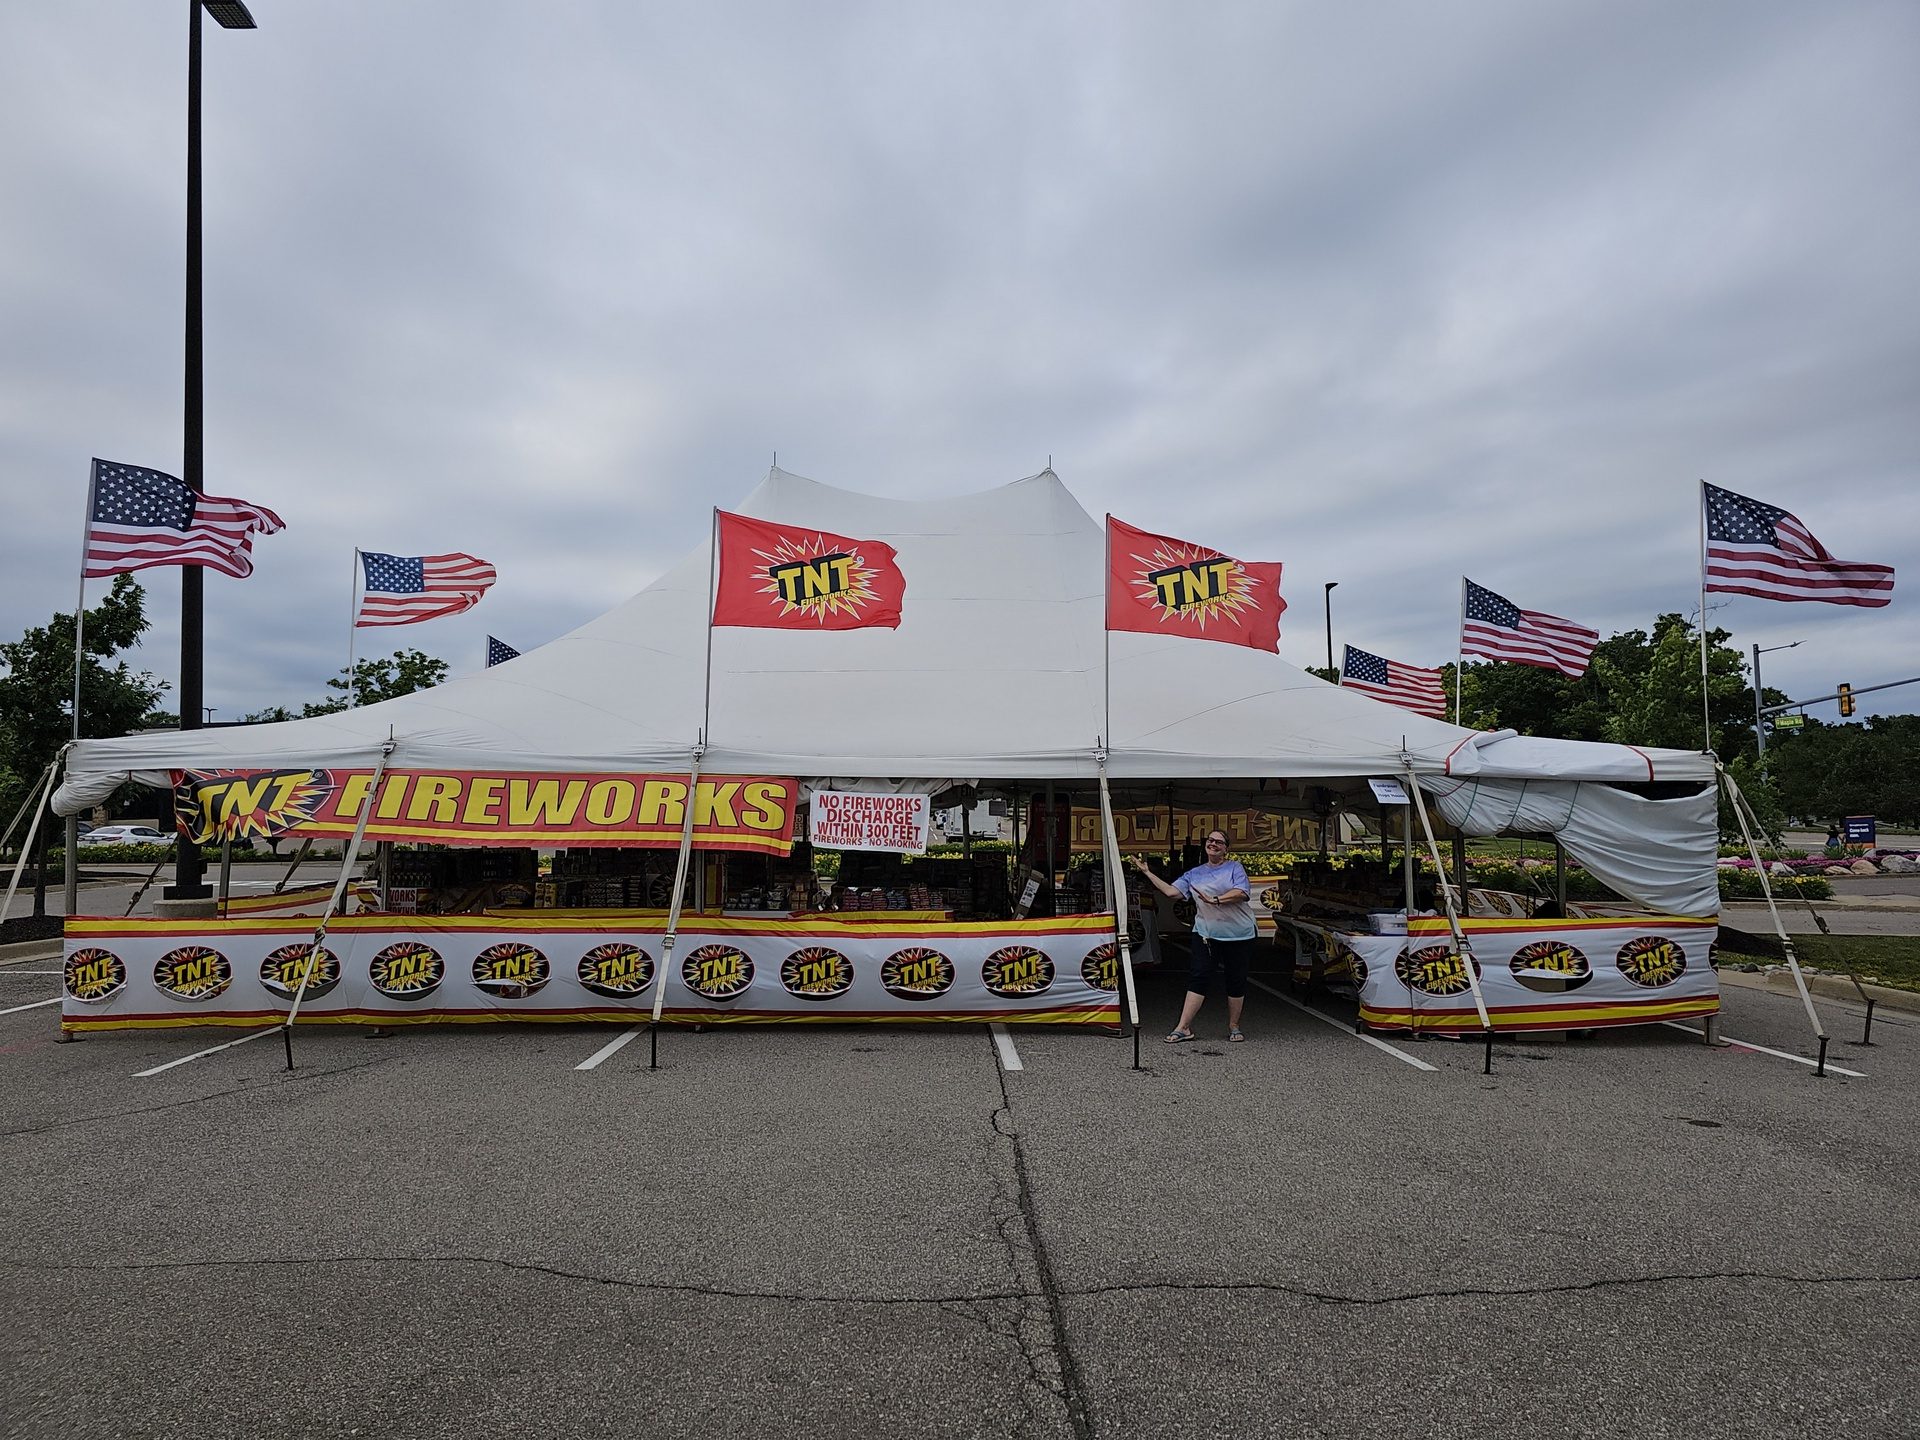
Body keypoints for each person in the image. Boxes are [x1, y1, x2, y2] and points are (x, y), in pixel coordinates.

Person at [1129, 830, 1256, 1043]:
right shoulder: (1194, 873)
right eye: (1210, 840)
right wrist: (1147, 872)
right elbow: (1171, 892)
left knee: (1236, 979)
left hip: (1238, 934)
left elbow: (1242, 893)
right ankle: (1183, 1027)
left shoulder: (1234, 868)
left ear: (1226, 848)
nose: (1213, 844)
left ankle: (1234, 1026)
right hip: (1206, 933)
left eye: (1219, 842)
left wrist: (1216, 900)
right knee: (1199, 976)